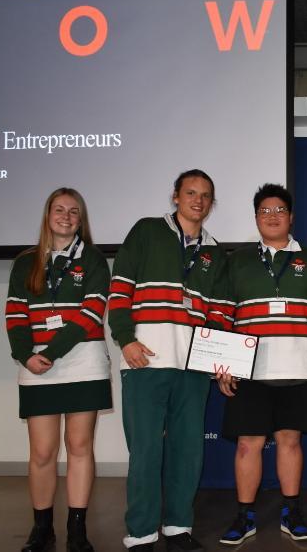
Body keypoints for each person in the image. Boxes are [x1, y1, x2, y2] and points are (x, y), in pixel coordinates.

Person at [108, 169, 231, 552]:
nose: (198, 200)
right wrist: (125, 339)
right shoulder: (146, 231)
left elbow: (220, 312)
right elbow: (120, 288)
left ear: (211, 204)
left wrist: (218, 360)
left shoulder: (213, 251)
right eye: (191, 192)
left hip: (193, 367)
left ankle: (178, 526)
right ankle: (141, 533)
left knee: (187, 450)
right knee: (145, 450)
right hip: (145, 360)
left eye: (205, 195)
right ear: (175, 196)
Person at [216, 184, 307, 546]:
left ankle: (291, 512)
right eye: (265, 211)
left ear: (291, 216)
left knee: (289, 441)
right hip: (248, 370)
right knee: (246, 446)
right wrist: (222, 363)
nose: (272, 216)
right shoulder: (237, 260)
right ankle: (245, 516)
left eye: (279, 210)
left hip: (300, 369)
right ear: (256, 218)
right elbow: (223, 315)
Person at [5, 187, 112, 552]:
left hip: (83, 361)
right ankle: (42, 528)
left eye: (74, 212)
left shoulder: (95, 260)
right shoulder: (24, 263)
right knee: (42, 452)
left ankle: (78, 530)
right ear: (47, 215)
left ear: (81, 220)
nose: (66, 217)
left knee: (80, 446)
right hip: (37, 366)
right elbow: (16, 314)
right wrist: (25, 354)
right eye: (59, 210)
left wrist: (50, 351)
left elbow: (91, 313)